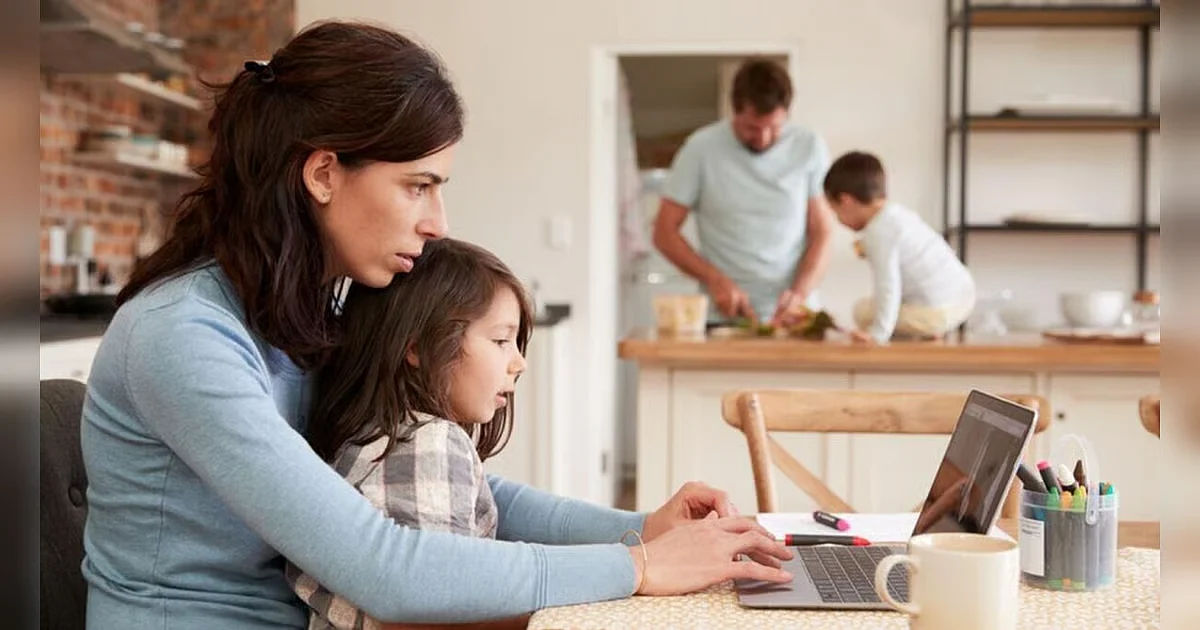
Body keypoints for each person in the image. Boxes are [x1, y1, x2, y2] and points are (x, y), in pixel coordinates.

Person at [79, 19, 793, 630]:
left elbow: (464, 487)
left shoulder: (312, 308)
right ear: (323, 173)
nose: (437, 222)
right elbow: (382, 567)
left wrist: (641, 528)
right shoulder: (185, 337)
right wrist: (638, 566)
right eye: (417, 185)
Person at [286, 237, 536, 630]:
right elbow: (435, 608)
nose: (518, 363)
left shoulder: (374, 436)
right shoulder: (430, 441)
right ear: (417, 347)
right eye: (501, 341)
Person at [652, 58, 835, 326]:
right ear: (734, 112)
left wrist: (800, 292)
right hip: (723, 317)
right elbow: (664, 232)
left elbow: (822, 231)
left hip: (794, 318)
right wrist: (713, 278)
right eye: (751, 128)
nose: (762, 139)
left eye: (773, 128)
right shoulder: (701, 148)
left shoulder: (809, 146)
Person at [822, 151, 976, 344]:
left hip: (937, 313)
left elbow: (888, 285)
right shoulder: (898, 215)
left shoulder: (878, 232)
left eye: (836, 212)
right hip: (963, 298)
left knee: (862, 311)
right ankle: (927, 330)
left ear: (846, 201)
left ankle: (924, 329)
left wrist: (878, 334)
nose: (840, 221)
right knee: (891, 303)